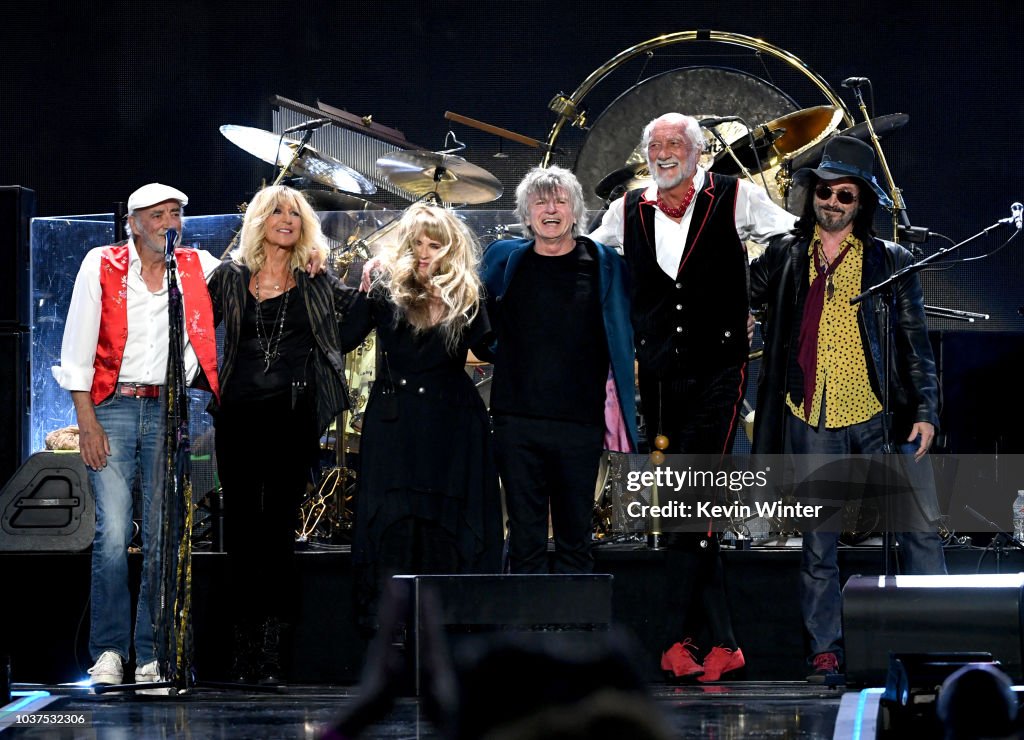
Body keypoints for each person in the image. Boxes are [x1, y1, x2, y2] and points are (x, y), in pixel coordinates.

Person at [589, 112, 797, 682]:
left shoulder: (736, 196)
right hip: (658, 376)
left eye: (674, 143)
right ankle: (720, 643)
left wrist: (751, 296)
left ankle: (673, 640)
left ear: (698, 152)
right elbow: (586, 253)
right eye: (654, 143)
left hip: (718, 372)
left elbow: (790, 238)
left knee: (695, 499)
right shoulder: (626, 208)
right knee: (685, 509)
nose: (663, 152)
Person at [749, 135, 947, 682]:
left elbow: (915, 344)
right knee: (818, 545)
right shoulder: (786, 255)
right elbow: (743, 292)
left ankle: (941, 639)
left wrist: (925, 409)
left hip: (879, 414)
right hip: (811, 416)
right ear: (811, 193)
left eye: (845, 195)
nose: (832, 203)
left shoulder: (889, 260)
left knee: (920, 532)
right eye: (825, 192)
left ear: (861, 205)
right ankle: (825, 651)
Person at [52, 183, 222, 690]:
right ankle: (108, 650)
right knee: (113, 535)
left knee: (163, 533)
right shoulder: (100, 264)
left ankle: (152, 654)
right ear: (132, 222)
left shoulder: (195, 265)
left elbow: (250, 264)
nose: (169, 223)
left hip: (170, 409)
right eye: (157, 215)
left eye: (175, 214)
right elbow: (77, 344)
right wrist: (87, 421)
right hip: (114, 406)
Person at [206, 184, 354, 684]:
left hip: (292, 418)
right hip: (238, 419)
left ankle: (272, 651)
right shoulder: (229, 277)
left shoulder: (313, 279)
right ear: (260, 221)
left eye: (295, 213)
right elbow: (190, 323)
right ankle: (241, 648)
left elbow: (358, 315)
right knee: (243, 533)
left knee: (277, 534)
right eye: (277, 211)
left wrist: (348, 271)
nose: (286, 219)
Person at [341, 202, 503, 635]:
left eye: (435, 245)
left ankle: (452, 631)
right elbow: (344, 337)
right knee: (395, 524)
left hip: (453, 424)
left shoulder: (469, 291)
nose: (426, 253)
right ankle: (394, 633)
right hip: (397, 423)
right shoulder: (382, 286)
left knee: (448, 525)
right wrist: (358, 283)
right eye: (417, 244)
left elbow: (492, 348)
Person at [480, 165, 638, 576]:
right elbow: (468, 304)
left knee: (575, 538)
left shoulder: (604, 263)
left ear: (575, 211)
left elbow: (641, 313)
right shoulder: (504, 259)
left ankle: (574, 636)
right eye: (540, 201)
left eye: (560, 200)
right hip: (516, 423)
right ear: (526, 212)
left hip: (578, 424)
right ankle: (525, 636)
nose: (551, 209)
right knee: (525, 539)